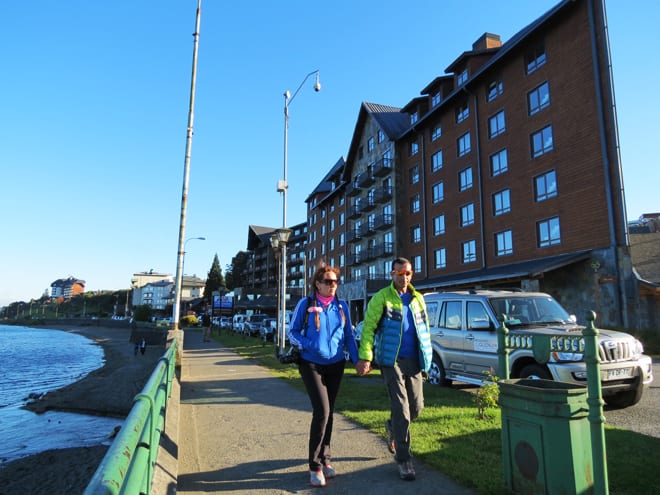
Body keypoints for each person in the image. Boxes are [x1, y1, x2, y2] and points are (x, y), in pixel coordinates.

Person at [356, 257, 433, 482]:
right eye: (400, 274)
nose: (405, 277)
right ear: (392, 274)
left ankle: (392, 426)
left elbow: (425, 330)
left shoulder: (418, 299)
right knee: (401, 409)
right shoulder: (382, 298)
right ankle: (404, 459)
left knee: (416, 407)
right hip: (392, 360)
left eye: (408, 273)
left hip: (414, 361)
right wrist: (365, 357)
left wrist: (427, 358)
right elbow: (368, 328)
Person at [289, 264, 359, 487]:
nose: (332, 286)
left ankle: (326, 458)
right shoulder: (306, 303)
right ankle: (315, 466)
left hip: (336, 364)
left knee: (329, 413)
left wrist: (357, 360)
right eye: (327, 282)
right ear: (317, 283)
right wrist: (311, 345)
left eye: (335, 282)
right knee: (322, 411)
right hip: (311, 364)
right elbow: (292, 332)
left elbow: (349, 335)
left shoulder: (341, 306)